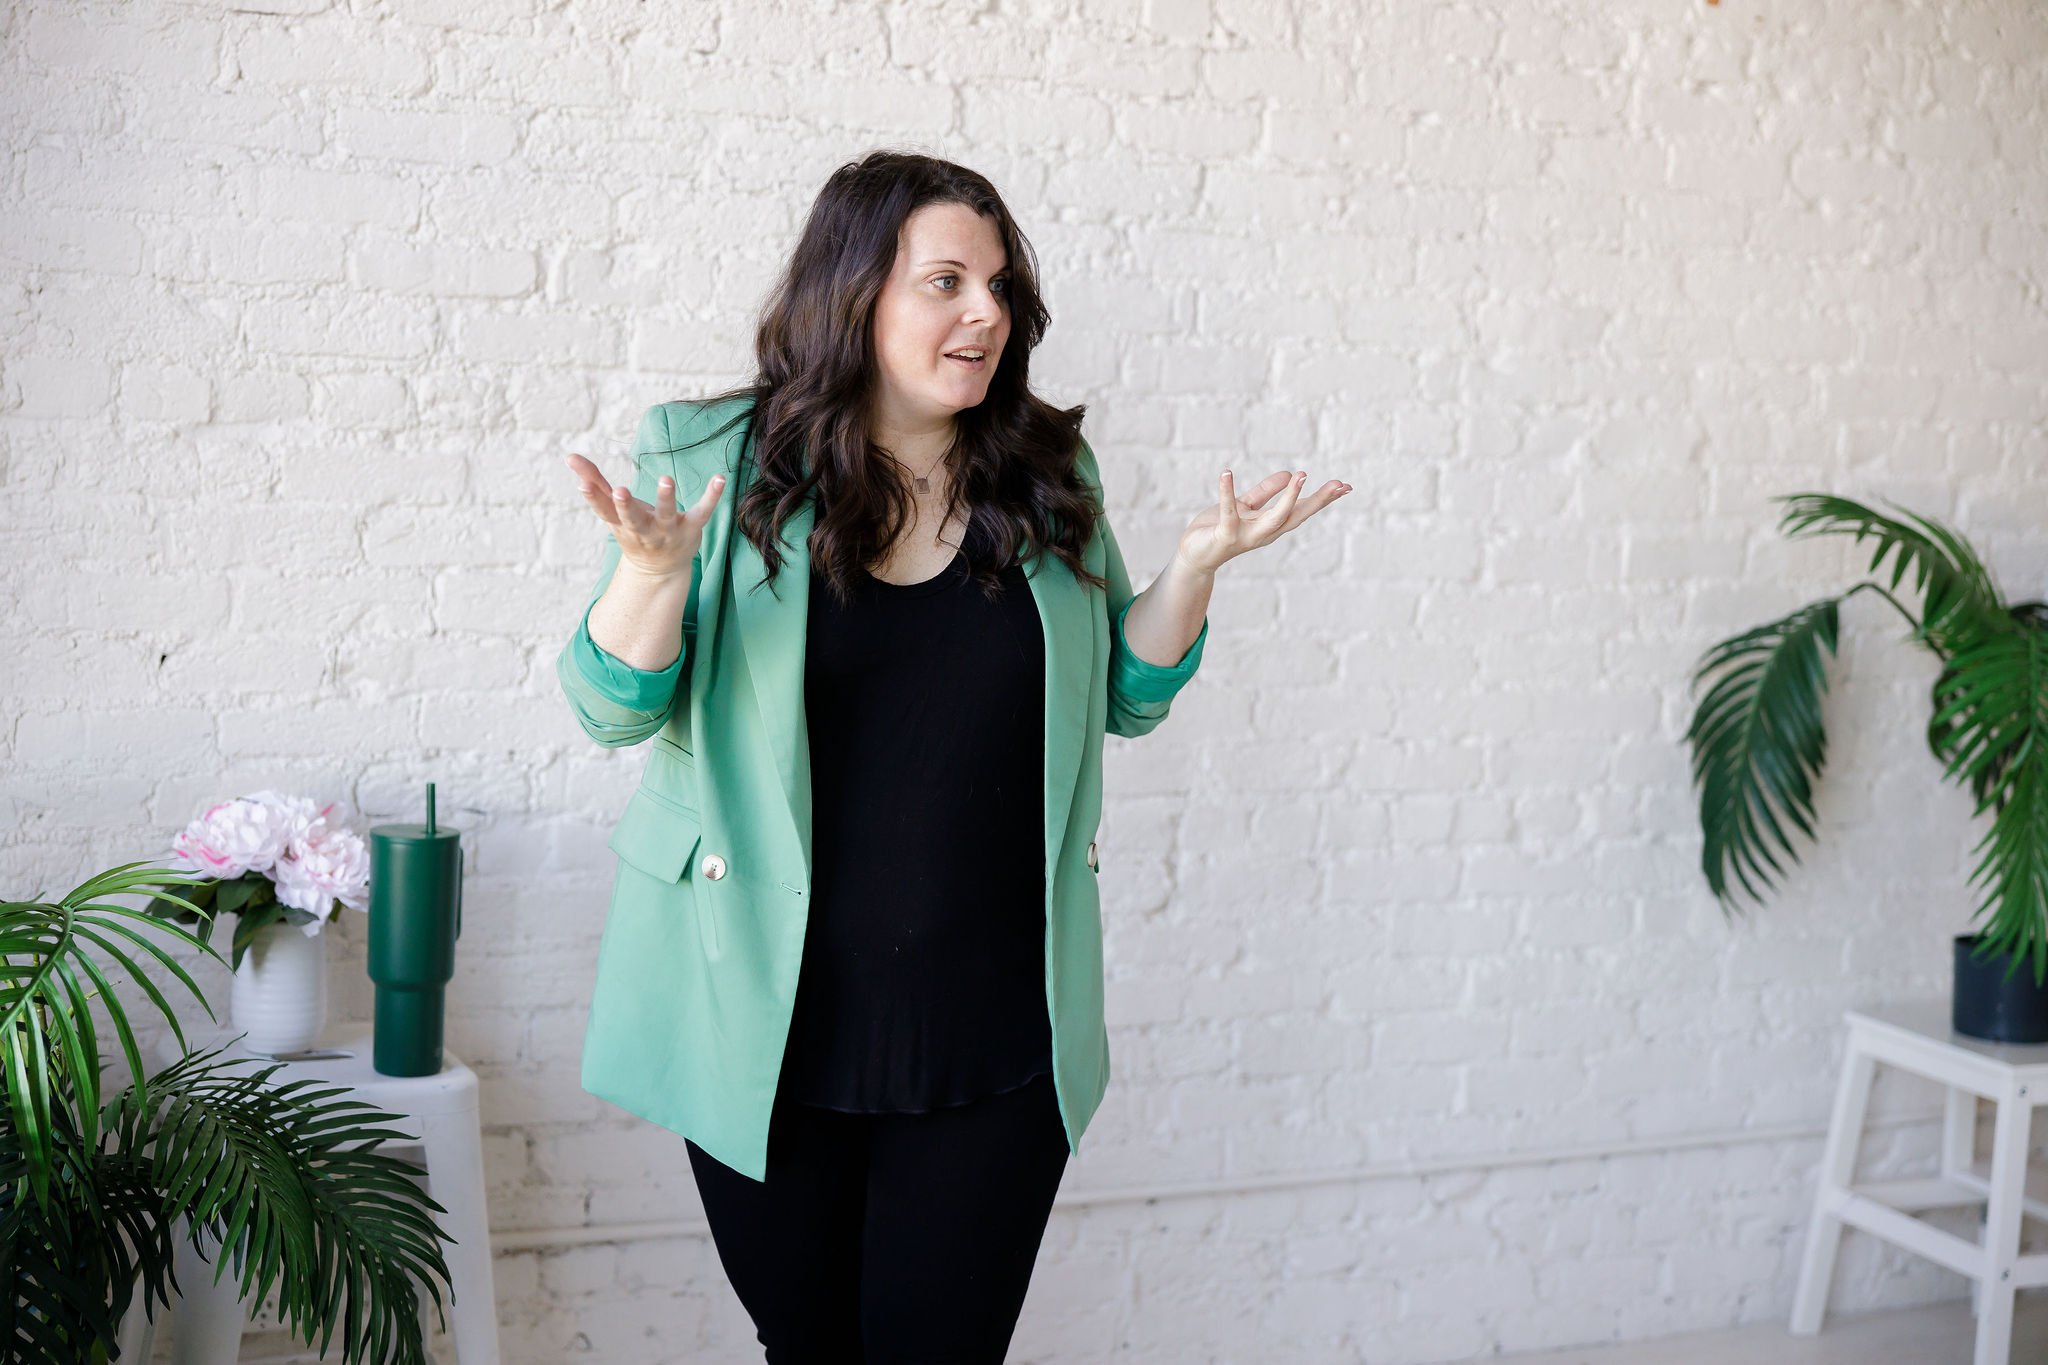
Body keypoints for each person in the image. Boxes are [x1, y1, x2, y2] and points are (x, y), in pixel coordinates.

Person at [557, 150, 1349, 1363]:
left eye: (998, 285)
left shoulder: (1042, 471)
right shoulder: (711, 454)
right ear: (853, 292)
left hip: (991, 1032)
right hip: (761, 1021)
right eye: (945, 281)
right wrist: (654, 573)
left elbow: (1125, 699)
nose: (986, 312)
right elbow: (613, 706)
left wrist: (1192, 566)